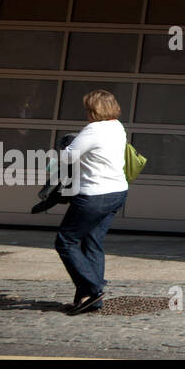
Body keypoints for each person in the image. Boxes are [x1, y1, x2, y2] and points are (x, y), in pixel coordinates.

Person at [54, 89, 129, 315]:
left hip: (94, 195)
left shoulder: (93, 129)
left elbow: (68, 156)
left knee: (65, 241)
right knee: (92, 243)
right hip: (117, 192)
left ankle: (94, 288)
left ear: (94, 110)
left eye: (88, 108)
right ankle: (89, 300)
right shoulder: (118, 127)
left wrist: (67, 144)